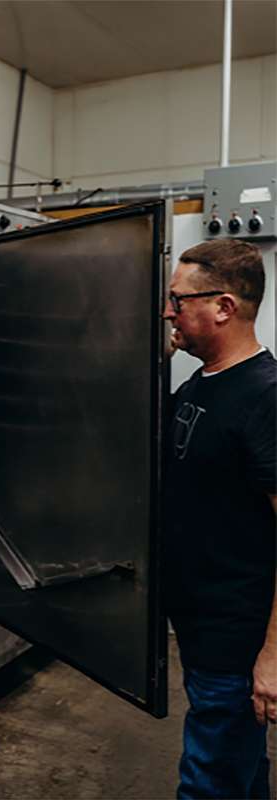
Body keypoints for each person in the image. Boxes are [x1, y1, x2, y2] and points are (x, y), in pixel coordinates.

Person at [162, 237, 277, 800]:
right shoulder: (200, 382)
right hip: (202, 627)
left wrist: (274, 657)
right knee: (239, 771)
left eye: (178, 301)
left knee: (207, 781)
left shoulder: (265, 398)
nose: (168, 312)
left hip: (237, 635)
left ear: (223, 307)